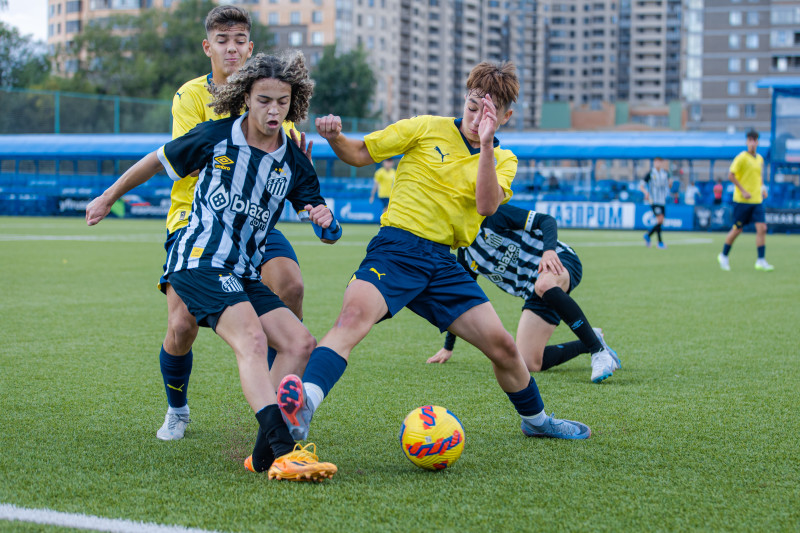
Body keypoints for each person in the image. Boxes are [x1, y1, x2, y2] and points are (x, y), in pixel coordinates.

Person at [275, 61, 592, 444]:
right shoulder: (426, 126)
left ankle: (537, 421)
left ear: (506, 116)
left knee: (506, 348)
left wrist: (487, 144)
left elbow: (488, 206)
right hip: (396, 248)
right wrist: (335, 137)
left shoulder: (504, 159)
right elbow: (360, 154)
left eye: (488, 113)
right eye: (472, 107)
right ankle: (303, 405)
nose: (476, 118)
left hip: (445, 263)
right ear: (464, 99)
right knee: (351, 320)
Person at [86, 52, 340, 481]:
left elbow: (325, 223)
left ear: (293, 103)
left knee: (299, 344)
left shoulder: (295, 160)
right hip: (199, 258)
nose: (273, 110)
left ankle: (261, 455)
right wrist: (108, 196)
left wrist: (326, 222)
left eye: (282, 101)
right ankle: (284, 450)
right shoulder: (216, 136)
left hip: (242, 269)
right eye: (264, 100)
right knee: (252, 340)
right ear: (246, 97)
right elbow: (155, 159)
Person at [156, 5, 312, 442]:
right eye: (222, 41)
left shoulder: (274, 92)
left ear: (250, 45)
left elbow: (282, 156)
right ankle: (177, 408)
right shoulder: (191, 97)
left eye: (240, 40)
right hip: (198, 218)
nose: (232, 48)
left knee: (293, 285)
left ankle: (277, 395)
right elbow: (187, 161)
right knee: (182, 325)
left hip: (255, 220)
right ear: (209, 47)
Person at [426, 203, 621, 383]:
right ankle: (590, 340)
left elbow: (546, 220)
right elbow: (462, 301)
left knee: (543, 284)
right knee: (527, 363)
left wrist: (549, 251)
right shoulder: (466, 257)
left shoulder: (493, 215)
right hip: (535, 292)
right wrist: (448, 347)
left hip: (559, 261)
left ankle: (599, 352)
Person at [717, 130, 774, 272]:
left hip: (757, 200)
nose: (753, 143)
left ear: (758, 142)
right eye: (750, 140)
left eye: (755, 140)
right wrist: (743, 190)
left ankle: (761, 260)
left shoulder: (760, 159)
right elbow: (731, 175)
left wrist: (763, 188)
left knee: (762, 228)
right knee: (737, 229)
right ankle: (723, 255)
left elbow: (759, 176)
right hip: (742, 201)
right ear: (747, 142)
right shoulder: (741, 158)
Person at [640, 157, 671, 249]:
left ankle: (649, 236)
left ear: (661, 163)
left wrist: (670, 183)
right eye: (656, 162)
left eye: (659, 162)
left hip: (662, 200)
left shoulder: (665, 173)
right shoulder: (650, 173)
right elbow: (641, 186)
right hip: (654, 200)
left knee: (660, 222)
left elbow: (669, 186)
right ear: (654, 163)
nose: (658, 164)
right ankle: (659, 242)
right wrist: (646, 192)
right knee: (660, 219)